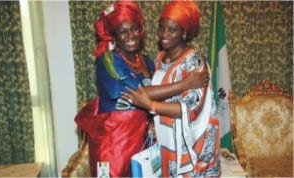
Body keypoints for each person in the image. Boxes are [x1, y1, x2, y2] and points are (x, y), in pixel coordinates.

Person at [74, 1, 209, 177]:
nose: (131, 35)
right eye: (123, 31)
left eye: (135, 29)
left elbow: (155, 98)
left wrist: (152, 120)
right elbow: (135, 93)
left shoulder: (148, 62)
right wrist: (184, 84)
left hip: (141, 143)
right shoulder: (107, 61)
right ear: (114, 37)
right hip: (113, 144)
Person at [122, 1, 221, 177]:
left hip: (193, 145)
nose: (164, 34)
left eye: (172, 30)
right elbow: (149, 91)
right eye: (162, 28)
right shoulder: (161, 58)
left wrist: (151, 106)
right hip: (168, 143)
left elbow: (191, 109)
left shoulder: (195, 62)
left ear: (184, 33)